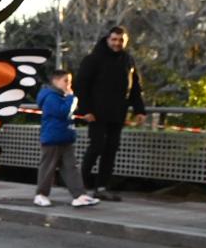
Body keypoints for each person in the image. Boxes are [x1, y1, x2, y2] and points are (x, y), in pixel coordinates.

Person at [73, 24, 146, 202]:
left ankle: (101, 187)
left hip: (118, 113)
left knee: (111, 149)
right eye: (114, 39)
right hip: (96, 113)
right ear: (108, 39)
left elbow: (135, 87)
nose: (117, 43)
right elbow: (81, 85)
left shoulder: (128, 60)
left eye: (121, 40)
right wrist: (85, 110)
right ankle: (80, 185)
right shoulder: (93, 59)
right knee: (96, 146)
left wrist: (139, 110)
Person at [34, 68, 100, 208]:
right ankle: (41, 195)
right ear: (55, 81)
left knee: (71, 167)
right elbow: (63, 112)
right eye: (66, 81)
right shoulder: (51, 97)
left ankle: (79, 195)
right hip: (52, 138)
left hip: (64, 137)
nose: (69, 84)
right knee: (48, 168)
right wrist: (72, 98)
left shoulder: (59, 96)